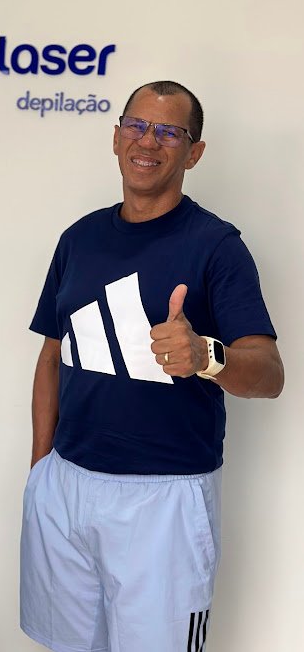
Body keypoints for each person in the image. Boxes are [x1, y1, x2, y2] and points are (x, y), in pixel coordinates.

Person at [20, 80, 284, 652]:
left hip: (164, 498)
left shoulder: (217, 246)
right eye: (137, 126)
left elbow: (270, 374)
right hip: (65, 485)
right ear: (116, 137)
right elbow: (52, 355)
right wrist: (41, 470)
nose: (148, 141)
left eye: (169, 131)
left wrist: (207, 355)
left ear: (195, 152)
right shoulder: (78, 239)